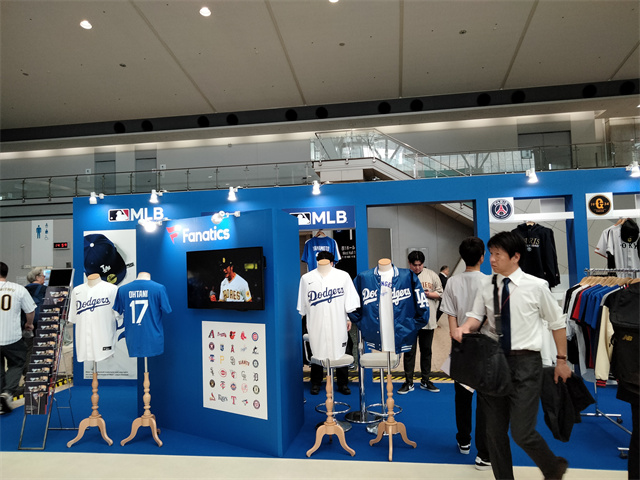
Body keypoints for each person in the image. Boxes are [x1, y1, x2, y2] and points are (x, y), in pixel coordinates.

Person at [452, 231, 571, 480]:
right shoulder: (486, 284)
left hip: (526, 363)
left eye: (498, 254)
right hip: (493, 363)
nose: (492, 259)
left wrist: (562, 360)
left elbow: (557, 323)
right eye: (491, 254)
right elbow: (475, 316)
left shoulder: (536, 286)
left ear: (515, 257)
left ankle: (552, 467)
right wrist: (465, 328)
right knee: (494, 433)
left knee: (521, 432)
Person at [439, 237, 491, 470]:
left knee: (462, 396)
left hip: (460, 343)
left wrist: (456, 335)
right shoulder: (489, 281)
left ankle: (463, 440)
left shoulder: (452, 282)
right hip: (486, 344)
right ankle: (483, 451)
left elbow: (450, 314)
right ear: (482, 257)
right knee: (485, 399)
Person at [298, 251, 358, 396]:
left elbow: (349, 302)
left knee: (341, 353)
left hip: (338, 323)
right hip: (316, 324)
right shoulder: (306, 278)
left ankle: (343, 383)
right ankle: (316, 383)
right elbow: (302, 307)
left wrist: (348, 318)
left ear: (332, 262)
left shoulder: (343, 276)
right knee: (317, 353)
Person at [398, 251, 442, 394]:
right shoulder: (403, 276)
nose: (417, 268)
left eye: (420, 265)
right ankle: (408, 381)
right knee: (409, 352)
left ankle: (425, 380)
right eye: (414, 265)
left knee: (426, 350)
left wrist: (428, 294)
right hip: (409, 321)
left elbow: (441, 293)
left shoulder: (432, 275)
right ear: (409, 264)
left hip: (427, 320)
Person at [0, 262, 36, 414]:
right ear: (6, 273)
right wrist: (29, 324)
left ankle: (1, 400)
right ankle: (7, 393)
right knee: (17, 363)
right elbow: (30, 310)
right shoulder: (18, 289)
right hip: (12, 337)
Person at [22, 267, 47, 375]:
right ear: (37, 277)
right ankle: (33, 374)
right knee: (39, 350)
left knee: (27, 348)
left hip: (24, 324)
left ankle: (25, 371)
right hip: (39, 323)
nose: (44, 277)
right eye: (43, 275)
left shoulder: (23, 289)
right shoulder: (44, 290)